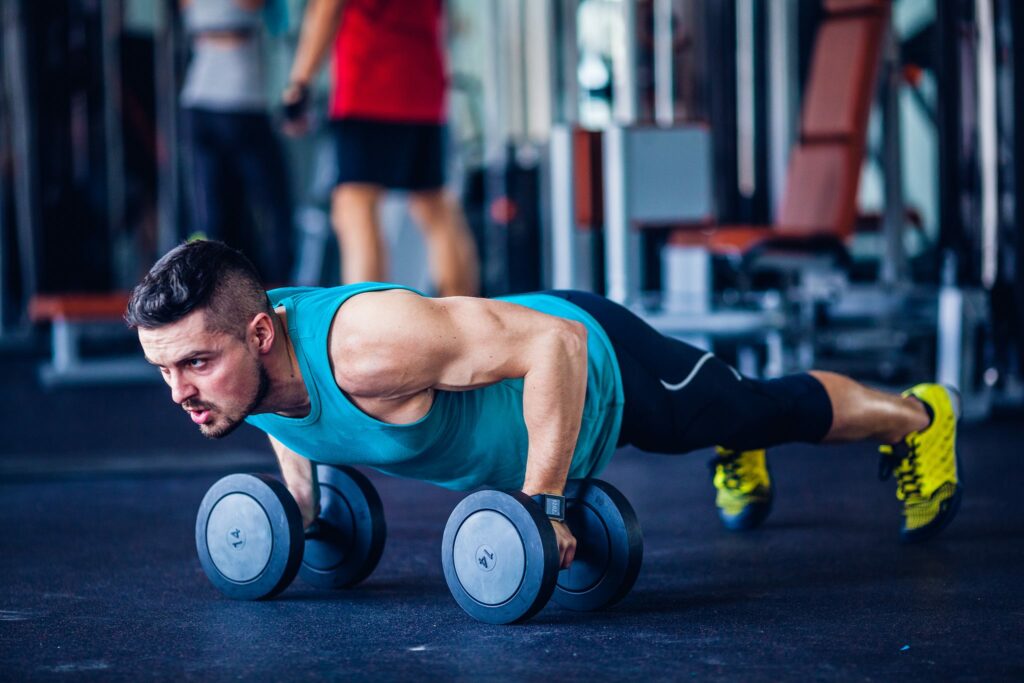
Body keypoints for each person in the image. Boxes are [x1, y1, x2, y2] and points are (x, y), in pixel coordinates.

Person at [127, 241, 963, 569]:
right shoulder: (246, 381)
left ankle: (922, 416)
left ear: (264, 335)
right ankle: (736, 445)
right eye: (164, 370)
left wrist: (545, 505)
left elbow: (550, 349)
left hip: (591, 359)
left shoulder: (367, 344)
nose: (181, 393)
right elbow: (284, 413)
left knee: (750, 410)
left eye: (194, 363)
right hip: (523, 364)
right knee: (735, 416)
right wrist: (303, 505)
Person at [279, 0, 479, 296]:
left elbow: (326, 9)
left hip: (368, 86)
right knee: (435, 205)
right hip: (425, 86)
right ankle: (469, 320)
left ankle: (370, 327)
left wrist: (300, 82)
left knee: (355, 204)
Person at [180, 0, 294, 284]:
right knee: (272, 207)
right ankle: (277, 292)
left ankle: (222, 288)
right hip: (239, 100)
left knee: (217, 210)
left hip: (200, 98)